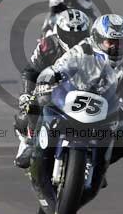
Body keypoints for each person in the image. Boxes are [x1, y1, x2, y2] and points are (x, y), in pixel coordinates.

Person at [49, 14, 123, 167]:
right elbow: (60, 67)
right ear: (97, 38)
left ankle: (99, 165)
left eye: (121, 43)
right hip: (74, 99)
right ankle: (35, 150)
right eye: (111, 42)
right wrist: (52, 78)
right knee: (46, 113)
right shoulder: (83, 49)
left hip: (110, 108)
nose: (116, 47)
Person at [13, 9, 92, 168]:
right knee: (28, 110)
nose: (74, 39)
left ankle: (94, 160)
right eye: (70, 35)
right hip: (50, 88)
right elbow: (30, 71)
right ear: (60, 32)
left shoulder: (93, 48)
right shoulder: (47, 44)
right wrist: (27, 94)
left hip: (84, 91)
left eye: (79, 35)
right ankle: (29, 142)